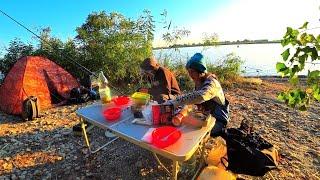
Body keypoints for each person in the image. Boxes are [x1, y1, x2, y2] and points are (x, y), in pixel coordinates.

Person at [164, 53, 229, 137]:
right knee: (180, 125)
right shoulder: (199, 81)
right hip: (205, 116)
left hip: (218, 120)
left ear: (201, 71)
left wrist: (177, 101)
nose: (190, 75)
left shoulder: (212, 83)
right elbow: (193, 100)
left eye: (192, 72)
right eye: (189, 72)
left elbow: (201, 96)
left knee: (194, 134)